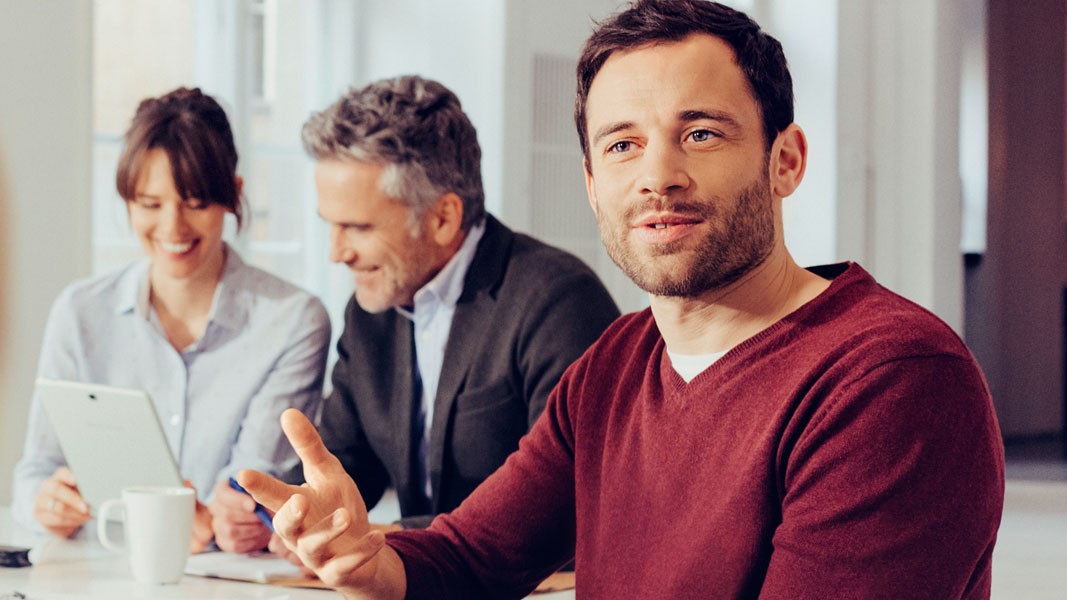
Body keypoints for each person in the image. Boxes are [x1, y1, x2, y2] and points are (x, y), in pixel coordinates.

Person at [238, 0, 1006, 598]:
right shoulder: (616, 362)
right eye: (621, 144)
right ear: (591, 183)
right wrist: (365, 558)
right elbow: (471, 559)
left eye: (700, 134)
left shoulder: (892, 378)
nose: (656, 176)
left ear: (785, 160)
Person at [269, 75, 619, 531]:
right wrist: (280, 510)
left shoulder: (558, 300)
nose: (337, 253)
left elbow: (560, 505)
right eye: (331, 226)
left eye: (358, 227)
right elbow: (345, 463)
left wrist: (396, 539)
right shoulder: (372, 308)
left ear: (442, 218)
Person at [11, 87, 331, 554]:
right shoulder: (80, 312)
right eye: (150, 203)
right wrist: (44, 502)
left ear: (232, 196)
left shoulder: (293, 322)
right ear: (127, 200)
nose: (172, 228)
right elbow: (34, 473)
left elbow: (251, 489)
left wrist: (234, 517)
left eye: (196, 202)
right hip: (97, 573)